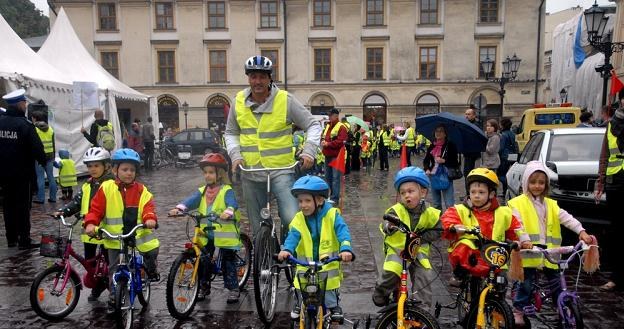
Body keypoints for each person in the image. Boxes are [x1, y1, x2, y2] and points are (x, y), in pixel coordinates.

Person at [224, 55, 321, 238]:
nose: (257, 81)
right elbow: (230, 132)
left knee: (290, 218)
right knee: (257, 226)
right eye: (253, 77)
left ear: (270, 78)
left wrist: (309, 151)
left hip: (281, 171)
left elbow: (313, 125)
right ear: (248, 78)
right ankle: (262, 260)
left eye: (262, 76)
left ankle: (288, 250)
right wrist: (235, 155)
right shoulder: (237, 102)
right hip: (250, 171)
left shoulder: (285, 100)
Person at [507, 161, 594, 325]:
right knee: (526, 284)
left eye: (541, 182)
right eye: (533, 182)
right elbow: (517, 224)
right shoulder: (518, 203)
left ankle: (560, 305)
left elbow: (567, 218)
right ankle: (518, 310)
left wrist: (581, 231)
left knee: (557, 282)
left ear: (546, 185)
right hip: (529, 253)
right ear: (526, 183)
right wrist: (524, 240)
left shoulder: (551, 204)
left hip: (551, 254)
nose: (537, 186)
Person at [84, 148, 160, 312]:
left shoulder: (141, 190)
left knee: (150, 254)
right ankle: (114, 298)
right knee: (115, 270)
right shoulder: (106, 188)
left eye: (132, 170)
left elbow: (148, 206)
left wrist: (149, 218)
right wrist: (90, 223)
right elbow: (95, 209)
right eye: (125, 169)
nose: (129, 173)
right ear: (114, 170)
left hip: (137, 235)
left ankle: (149, 270)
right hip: (114, 239)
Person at [277, 175, 354, 322]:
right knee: (300, 284)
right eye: (300, 201)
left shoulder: (332, 214)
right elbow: (293, 235)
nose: (302, 205)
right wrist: (287, 249)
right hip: (304, 264)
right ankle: (299, 303)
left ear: (319, 200)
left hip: (327, 263)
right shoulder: (299, 218)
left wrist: (345, 249)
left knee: (329, 285)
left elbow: (343, 232)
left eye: (307, 200)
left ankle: (333, 306)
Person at [168, 153, 242, 303]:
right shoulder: (202, 190)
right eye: (205, 172)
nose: (207, 176)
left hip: (224, 231)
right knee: (202, 259)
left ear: (220, 174)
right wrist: (179, 208)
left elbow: (232, 203)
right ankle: (203, 286)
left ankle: (234, 288)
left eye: (211, 172)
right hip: (205, 231)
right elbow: (191, 200)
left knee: (228, 260)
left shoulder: (226, 190)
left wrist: (228, 212)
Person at [441, 168, 531, 280]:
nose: (476, 196)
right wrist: (454, 226)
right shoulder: (460, 210)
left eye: (481, 192)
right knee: (464, 243)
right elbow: (448, 218)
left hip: (496, 258)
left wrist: (524, 240)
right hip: (471, 261)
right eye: (473, 192)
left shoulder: (504, 212)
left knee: (501, 283)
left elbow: (516, 227)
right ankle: (460, 277)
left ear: (491, 194)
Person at [372, 167, 442, 309]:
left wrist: (422, 237)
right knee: (392, 271)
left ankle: (422, 309)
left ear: (423, 192)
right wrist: (389, 226)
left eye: (410, 191)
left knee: (425, 275)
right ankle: (381, 292)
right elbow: (386, 222)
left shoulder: (431, 212)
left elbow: (439, 229)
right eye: (403, 193)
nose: (406, 196)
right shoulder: (396, 210)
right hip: (399, 249)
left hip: (418, 249)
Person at [53, 147, 113, 301]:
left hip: (108, 230)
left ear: (106, 166)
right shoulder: (87, 185)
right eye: (90, 166)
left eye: (96, 166)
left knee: (109, 262)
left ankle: (113, 290)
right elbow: (77, 202)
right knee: (90, 263)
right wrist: (63, 211)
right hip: (89, 230)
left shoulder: (112, 184)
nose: (92, 169)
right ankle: (98, 284)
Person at [0, 89, 47, 249]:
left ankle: (11, 238)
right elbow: (37, 149)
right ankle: (24, 239)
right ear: (20, 104)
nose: (26, 105)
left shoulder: (1, 122)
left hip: (4, 174)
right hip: (22, 174)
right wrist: (44, 161)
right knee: (22, 207)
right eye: (24, 103)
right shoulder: (25, 125)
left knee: (8, 206)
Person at [594, 106, 624, 292]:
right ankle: (617, 276)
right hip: (616, 184)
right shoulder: (612, 125)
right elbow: (605, 156)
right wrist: (601, 182)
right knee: (617, 232)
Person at [423, 124, 459, 210]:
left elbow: (455, 162)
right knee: (436, 203)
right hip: (433, 176)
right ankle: (438, 221)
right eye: (436, 131)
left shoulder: (450, 146)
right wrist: (427, 169)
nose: (438, 133)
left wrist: (444, 161)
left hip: (446, 176)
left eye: (441, 131)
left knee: (449, 203)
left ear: (445, 134)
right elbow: (426, 160)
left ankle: (450, 221)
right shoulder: (432, 146)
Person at [322, 108, 348, 203]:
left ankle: (334, 198)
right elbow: (324, 137)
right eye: (328, 115)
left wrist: (328, 144)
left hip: (336, 155)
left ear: (336, 116)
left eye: (330, 115)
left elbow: (341, 141)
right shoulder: (328, 126)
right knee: (328, 177)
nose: (329, 117)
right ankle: (330, 195)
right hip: (328, 154)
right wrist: (323, 141)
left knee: (335, 177)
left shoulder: (341, 127)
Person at [32, 111, 58, 204]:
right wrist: (54, 156)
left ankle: (41, 198)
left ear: (35, 118)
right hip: (50, 156)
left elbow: (33, 144)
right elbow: (53, 144)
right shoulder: (50, 129)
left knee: (40, 177)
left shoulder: (34, 129)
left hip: (39, 156)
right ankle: (53, 198)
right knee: (51, 177)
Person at [498, 118, 518, 198]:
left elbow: (501, 147)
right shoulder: (512, 134)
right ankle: (505, 191)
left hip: (504, 157)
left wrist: (498, 154)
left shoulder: (503, 135)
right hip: (513, 156)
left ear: (503, 125)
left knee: (501, 174)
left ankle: (507, 187)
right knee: (508, 173)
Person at [462, 108, 482, 187]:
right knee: (466, 174)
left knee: (471, 174)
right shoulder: (465, 124)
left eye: (469, 114)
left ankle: (470, 193)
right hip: (467, 153)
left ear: (474, 116)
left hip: (473, 154)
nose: (466, 116)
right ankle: (468, 193)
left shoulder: (475, 125)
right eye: (466, 114)